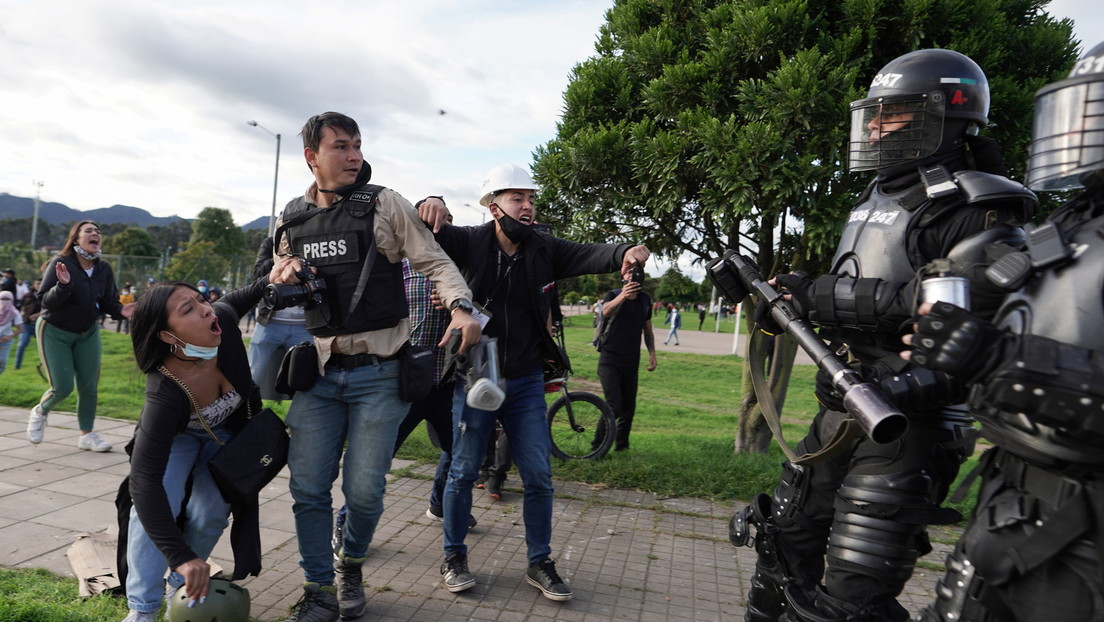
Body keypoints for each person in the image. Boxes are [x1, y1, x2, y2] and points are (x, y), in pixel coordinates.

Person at [734, 49, 1037, 622]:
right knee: (780, 549)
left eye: (890, 114)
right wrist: (785, 302)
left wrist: (819, 293)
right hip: (839, 407)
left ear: (945, 113)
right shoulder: (874, 197)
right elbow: (873, 293)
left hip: (908, 422)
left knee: (852, 597)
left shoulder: (984, 207)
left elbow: (964, 318)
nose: (873, 127)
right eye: (872, 115)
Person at [906, 40, 1104, 622]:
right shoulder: (1077, 219)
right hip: (1011, 500)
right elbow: (1003, 280)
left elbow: (1006, 351)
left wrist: (995, 360)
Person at [270, 111, 481, 622]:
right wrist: (285, 268)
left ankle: (352, 564)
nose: (354, 155)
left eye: (357, 145)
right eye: (340, 147)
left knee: (364, 493)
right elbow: (274, 272)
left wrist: (460, 306)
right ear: (311, 157)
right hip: (318, 373)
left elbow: (434, 260)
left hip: (380, 374)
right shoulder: (292, 216)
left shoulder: (384, 203)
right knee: (308, 489)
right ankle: (318, 588)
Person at [416, 162, 651, 602]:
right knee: (464, 471)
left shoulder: (545, 248)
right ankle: (453, 556)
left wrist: (625, 251)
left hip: (524, 381)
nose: (527, 206)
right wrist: (432, 200)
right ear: (492, 206)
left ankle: (540, 561)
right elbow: (429, 222)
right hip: (475, 377)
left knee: (540, 476)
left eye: (530, 199)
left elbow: (591, 252)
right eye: (516, 198)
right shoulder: (468, 242)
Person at [117, 269, 287, 622]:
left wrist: (273, 276)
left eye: (200, 300)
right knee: (156, 503)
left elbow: (238, 298)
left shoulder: (221, 322)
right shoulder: (164, 393)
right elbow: (143, 481)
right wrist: (178, 552)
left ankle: (180, 587)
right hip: (179, 438)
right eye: (188, 309)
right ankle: (143, 609)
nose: (206, 309)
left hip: (224, 435)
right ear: (168, 335)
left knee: (210, 513)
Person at [26, 221, 135, 452]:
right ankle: (40, 411)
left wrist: (121, 311)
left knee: (89, 386)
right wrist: (63, 286)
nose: (95, 234)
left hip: (87, 333)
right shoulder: (61, 263)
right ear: (76, 238)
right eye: (89, 231)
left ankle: (87, 435)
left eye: (98, 231)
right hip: (54, 331)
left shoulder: (103, 268)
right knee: (62, 388)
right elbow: (45, 300)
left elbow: (108, 302)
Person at [247, 237, 313, 401]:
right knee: (251, 373)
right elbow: (258, 273)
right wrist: (284, 258)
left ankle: (301, 420)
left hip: (304, 325)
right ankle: (242, 414)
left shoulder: (312, 239)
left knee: (307, 379)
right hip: (270, 322)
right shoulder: (270, 243)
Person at [597, 278, 657, 452]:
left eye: (637, 274)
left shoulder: (645, 300)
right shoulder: (613, 295)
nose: (633, 277)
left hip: (632, 359)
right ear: (624, 278)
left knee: (628, 408)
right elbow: (606, 311)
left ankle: (622, 447)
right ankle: (598, 446)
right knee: (614, 405)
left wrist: (652, 354)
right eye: (630, 273)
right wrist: (624, 295)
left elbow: (648, 330)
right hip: (610, 359)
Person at [14, 278, 40, 370]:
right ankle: (17, 366)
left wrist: (39, 314)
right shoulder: (27, 295)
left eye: (41, 283)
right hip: (26, 323)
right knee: (22, 344)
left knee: (45, 346)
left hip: (40, 324)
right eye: (37, 283)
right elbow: (19, 306)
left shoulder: (46, 295)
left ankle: (45, 365)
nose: (39, 285)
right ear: (34, 284)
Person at [0, 291, 20, 375]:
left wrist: (10, 336)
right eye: (2, 299)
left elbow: (20, 329)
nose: (4, 301)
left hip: (5, 341)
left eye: (7, 299)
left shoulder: (14, 313)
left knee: (2, 362)